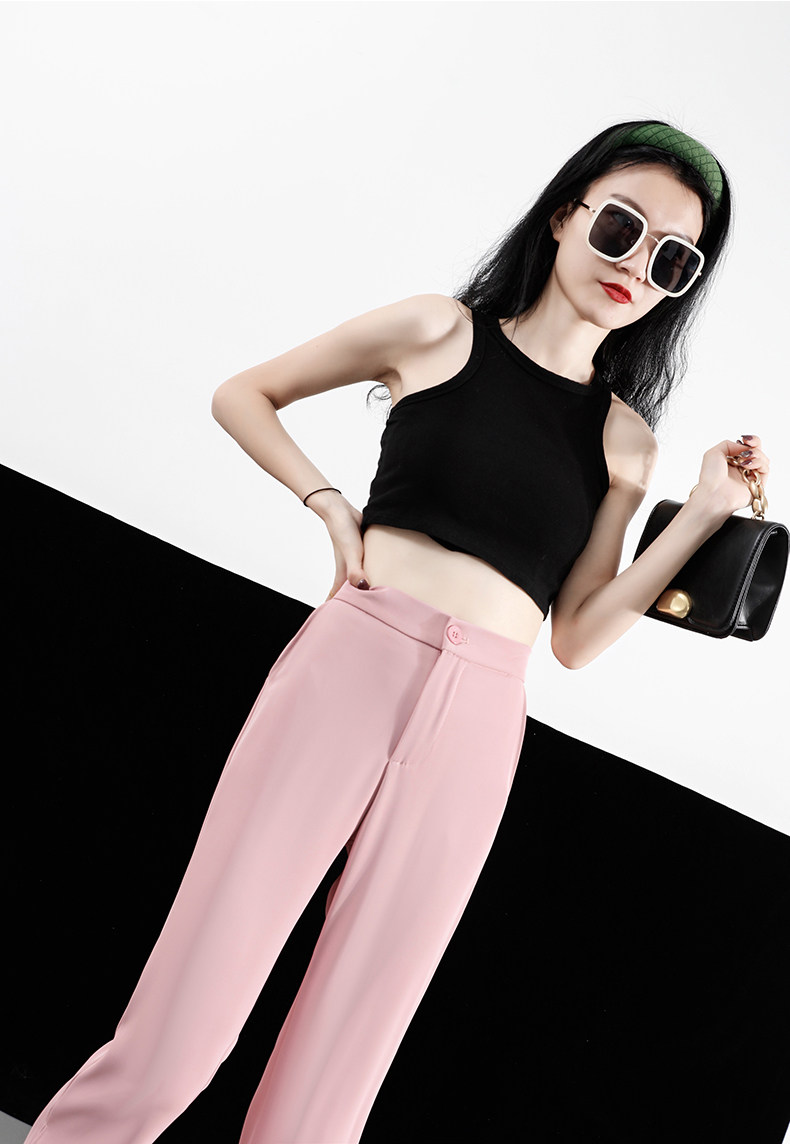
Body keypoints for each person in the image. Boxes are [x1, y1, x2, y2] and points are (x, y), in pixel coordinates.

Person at [24, 119, 770, 1145]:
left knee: (338, 1075)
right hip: (352, 666)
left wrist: (699, 514)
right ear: (565, 216)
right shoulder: (438, 331)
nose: (636, 266)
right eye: (621, 227)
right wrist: (331, 505)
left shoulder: (625, 442)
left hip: (481, 723)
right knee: (184, 1029)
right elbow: (244, 394)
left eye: (672, 260)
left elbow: (577, 636)